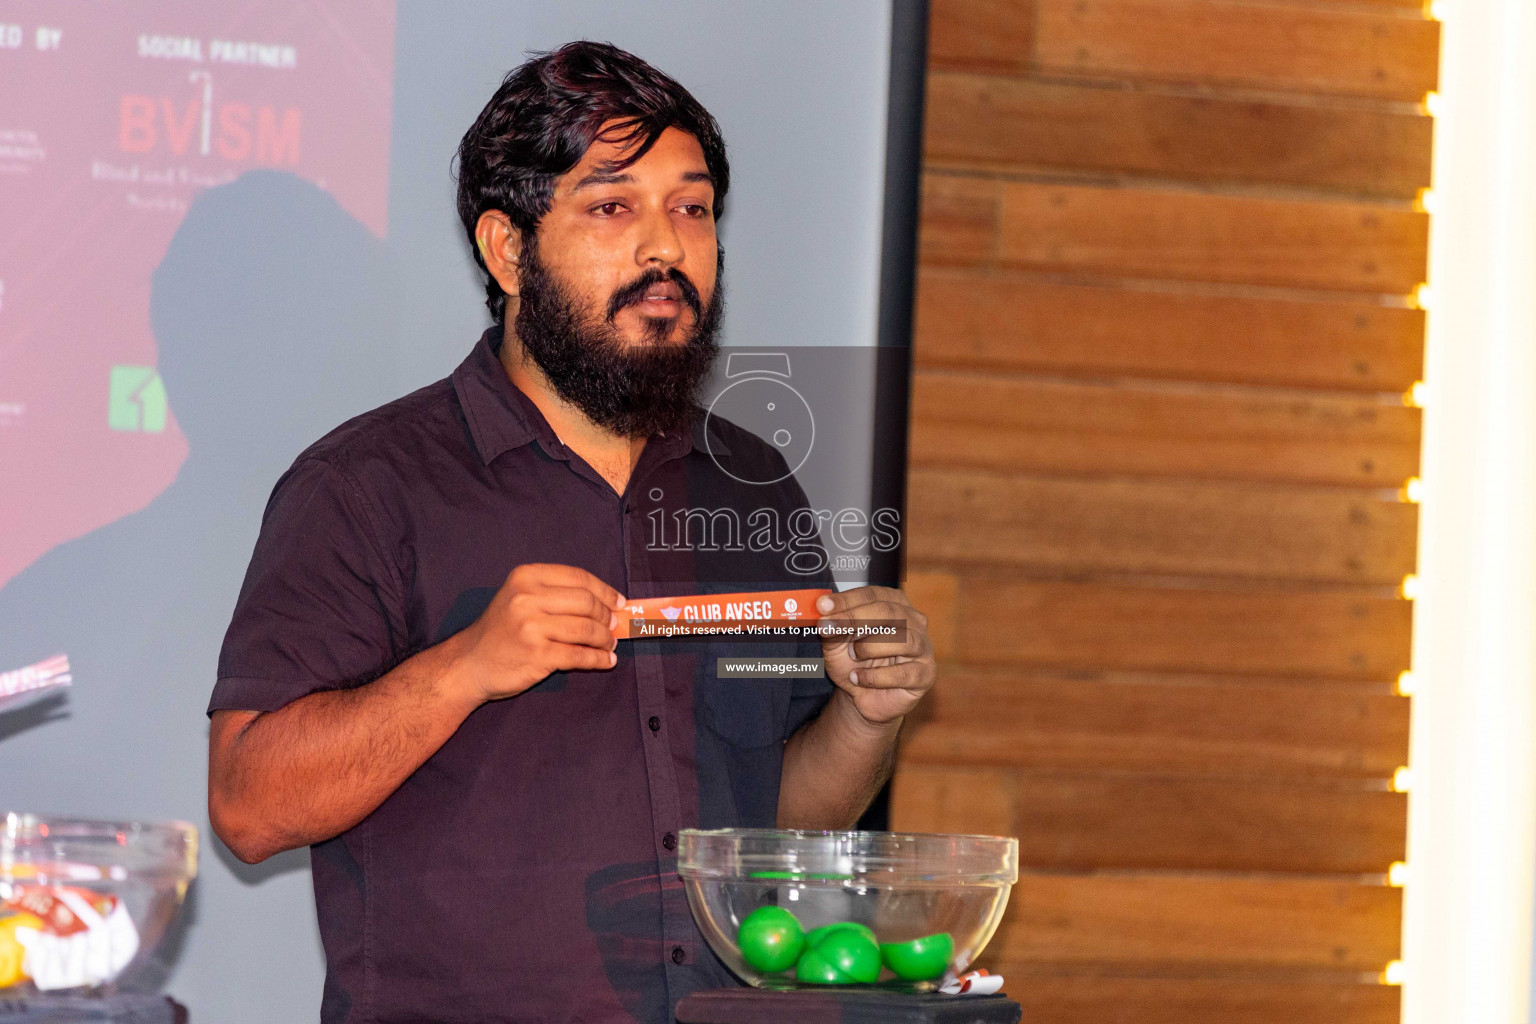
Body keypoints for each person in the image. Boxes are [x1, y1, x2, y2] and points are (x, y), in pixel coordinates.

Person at [206, 41, 935, 1024]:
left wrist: (864, 714)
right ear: (509, 251)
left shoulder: (755, 485)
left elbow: (773, 824)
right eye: (611, 207)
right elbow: (250, 806)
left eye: (692, 208)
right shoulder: (366, 486)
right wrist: (463, 665)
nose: (666, 248)